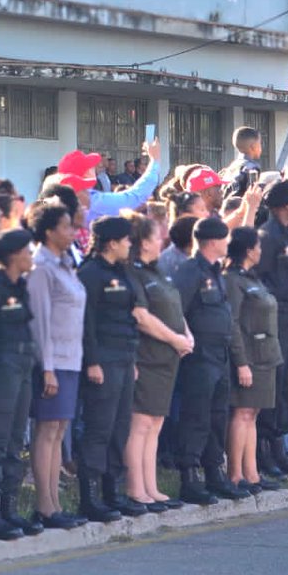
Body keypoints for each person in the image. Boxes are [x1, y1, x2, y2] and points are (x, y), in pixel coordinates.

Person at [0, 228, 43, 539]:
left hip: (23, 367)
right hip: (1, 369)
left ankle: (9, 510)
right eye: (27, 252)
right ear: (13, 256)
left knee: (16, 441)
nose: (31, 256)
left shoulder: (21, 287)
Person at [173, 215, 246, 505]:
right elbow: (176, 310)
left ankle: (214, 473)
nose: (228, 243)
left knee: (218, 417)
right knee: (196, 417)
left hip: (220, 356)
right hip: (199, 358)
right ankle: (189, 477)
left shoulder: (216, 271)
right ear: (213, 242)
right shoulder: (189, 272)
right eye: (225, 238)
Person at [123, 213, 193, 511]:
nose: (161, 240)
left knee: (156, 423)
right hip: (148, 356)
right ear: (142, 242)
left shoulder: (157, 272)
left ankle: (151, 487)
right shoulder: (134, 273)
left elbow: (174, 308)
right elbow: (141, 317)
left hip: (167, 359)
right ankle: (135, 488)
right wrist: (175, 339)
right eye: (155, 236)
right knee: (140, 424)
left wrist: (186, 334)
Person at [25, 200, 87, 530]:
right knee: (47, 431)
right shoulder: (41, 267)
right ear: (49, 232)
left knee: (59, 430)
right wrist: (47, 367)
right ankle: (45, 505)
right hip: (53, 360)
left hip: (71, 358)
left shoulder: (65, 263)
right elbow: (40, 322)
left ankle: (55, 502)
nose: (73, 232)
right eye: (66, 227)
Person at [76, 215, 142, 523]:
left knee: (119, 428)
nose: (130, 244)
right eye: (126, 240)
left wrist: (133, 360)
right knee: (99, 429)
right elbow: (86, 322)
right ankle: (90, 497)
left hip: (124, 357)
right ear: (112, 243)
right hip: (102, 358)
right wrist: (92, 361)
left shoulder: (122, 271)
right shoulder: (90, 273)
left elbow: (130, 315)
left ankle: (112, 492)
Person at [224, 226, 283, 495]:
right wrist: (241, 361)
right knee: (242, 413)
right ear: (249, 250)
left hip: (266, 355)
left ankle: (252, 473)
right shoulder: (233, 280)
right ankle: (236, 474)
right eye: (257, 246)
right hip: (249, 355)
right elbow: (233, 322)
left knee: (254, 414)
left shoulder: (253, 278)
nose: (261, 250)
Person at [255, 180, 288, 478]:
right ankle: (266, 452)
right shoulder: (268, 236)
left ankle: (279, 449)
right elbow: (260, 279)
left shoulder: (285, 234)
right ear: (285, 204)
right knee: (273, 384)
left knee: (283, 384)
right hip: (275, 317)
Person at [57, 140, 162, 224]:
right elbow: (134, 197)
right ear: (84, 174)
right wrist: (154, 160)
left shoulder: (62, 199)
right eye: (90, 166)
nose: (95, 167)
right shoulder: (90, 200)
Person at [220, 126, 263, 199]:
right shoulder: (251, 168)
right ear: (253, 147)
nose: (261, 147)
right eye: (260, 143)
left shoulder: (232, 167)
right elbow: (253, 195)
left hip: (229, 206)